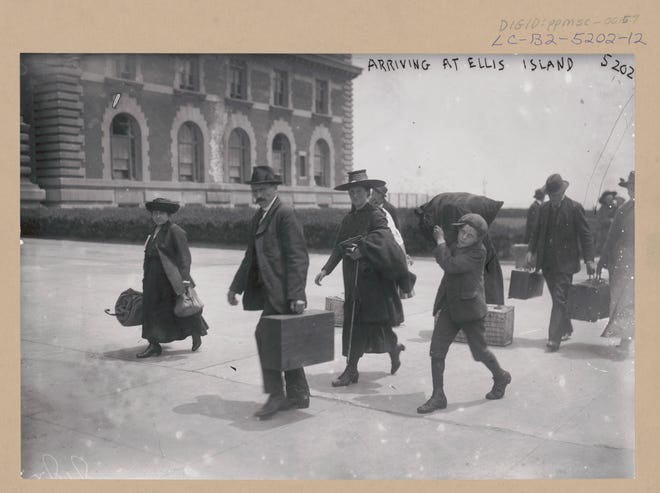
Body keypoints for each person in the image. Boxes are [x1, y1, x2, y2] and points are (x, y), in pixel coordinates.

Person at [227, 166, 310, 419]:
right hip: (270, 293)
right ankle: (299, 393)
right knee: (285, 340)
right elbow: (249, 257)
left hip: (284, 292)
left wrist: (297, 294)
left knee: (266, 337)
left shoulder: (284, 214)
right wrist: (235, 286)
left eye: (262, 189)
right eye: (255, 190)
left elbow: (298, 257)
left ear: (275, 188)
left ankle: (276, 396)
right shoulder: (259, 217)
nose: (258, 194)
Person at [315, 170, 409, 387]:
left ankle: (391, 350)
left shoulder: (377, 214)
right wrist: (326, 269)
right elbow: (339, 246)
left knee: (375, 322)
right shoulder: (349, 219)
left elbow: (385, 240)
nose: (354, 195)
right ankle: (353, 368)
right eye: (351, 192)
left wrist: (364, 250)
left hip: (373, 279)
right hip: (352, 278)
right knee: (355, 322)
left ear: (368, 192)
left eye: (358, 191)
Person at [417, 213, 511, 413]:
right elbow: (442, 254)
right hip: (450, 306)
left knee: (479, 353)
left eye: (470, 235)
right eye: (462, 231)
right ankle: (438, 396)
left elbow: (450, 265)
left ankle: (501, 376)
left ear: (478, 239)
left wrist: (441, 241)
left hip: (470, 310)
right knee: (437, 350)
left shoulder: (478, 252)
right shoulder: (456, 245)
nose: (464, 237)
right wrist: (436, 233)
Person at [526, 174, 596, 352]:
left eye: (556, 195)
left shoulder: (574, 208)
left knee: (559, 298)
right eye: (550, 196)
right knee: (558, 298)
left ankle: (553, 339)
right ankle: (566, 327)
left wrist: (589, 259)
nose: (553, 199)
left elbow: (585, 235)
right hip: (547, 262)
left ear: (563, 192)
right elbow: (536, 232)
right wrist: (530, 251)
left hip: (566, 263)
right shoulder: (544, 209)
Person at [138, 198, 208, 358]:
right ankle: (153, 345)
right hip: (152, 279)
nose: (157, 216)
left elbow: (184, 257)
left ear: (169, 215)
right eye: (154, 213)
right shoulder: (153, 230)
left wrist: (184, 280)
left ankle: (195, 332)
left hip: (171, 280)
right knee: (151, 311)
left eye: (161, 213)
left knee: (180, 309)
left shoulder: (175, 231)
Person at [597, 171, 634, 351]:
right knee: (623, 300)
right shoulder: (623, 210)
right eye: (631, 187)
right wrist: (602, 260)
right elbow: (611, 237)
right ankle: (626, 340)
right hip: (624, 260)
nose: (633, 190)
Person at [594, 190, 620, 255]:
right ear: (604, 200)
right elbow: (600, 220)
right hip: (605, 232)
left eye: (611, 198)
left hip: (614, 232)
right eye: (608, 199)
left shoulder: (616, 207)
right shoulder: (602, 209)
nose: (610, 200)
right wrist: (609, 221)